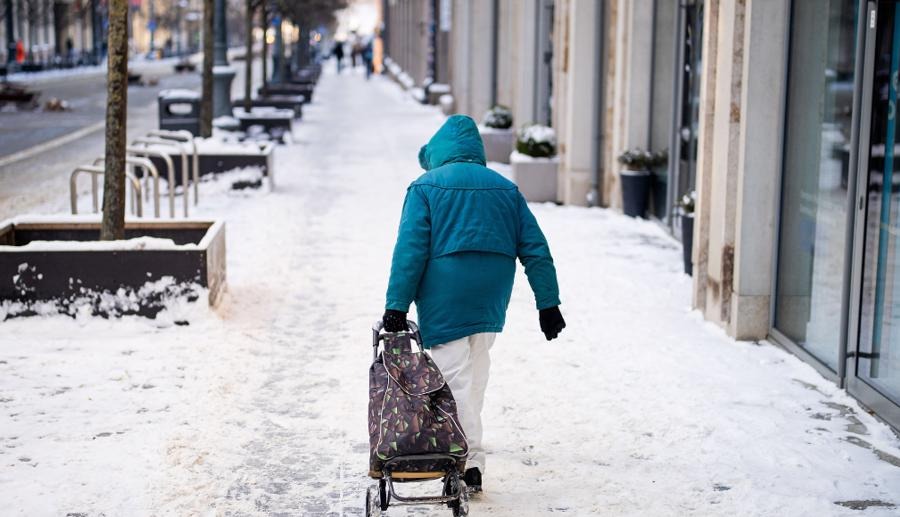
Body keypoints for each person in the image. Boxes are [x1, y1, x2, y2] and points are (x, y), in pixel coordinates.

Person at [382, 115, 565, 494]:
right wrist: (548, 303)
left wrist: (397, 305)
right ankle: (471, 458)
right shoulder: (505, 188)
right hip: (490, 296)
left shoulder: (425, 186)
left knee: (451, 379)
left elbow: (410, 250)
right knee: (475, 373)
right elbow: (536, 249)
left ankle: (465, 458)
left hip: (445, 295)